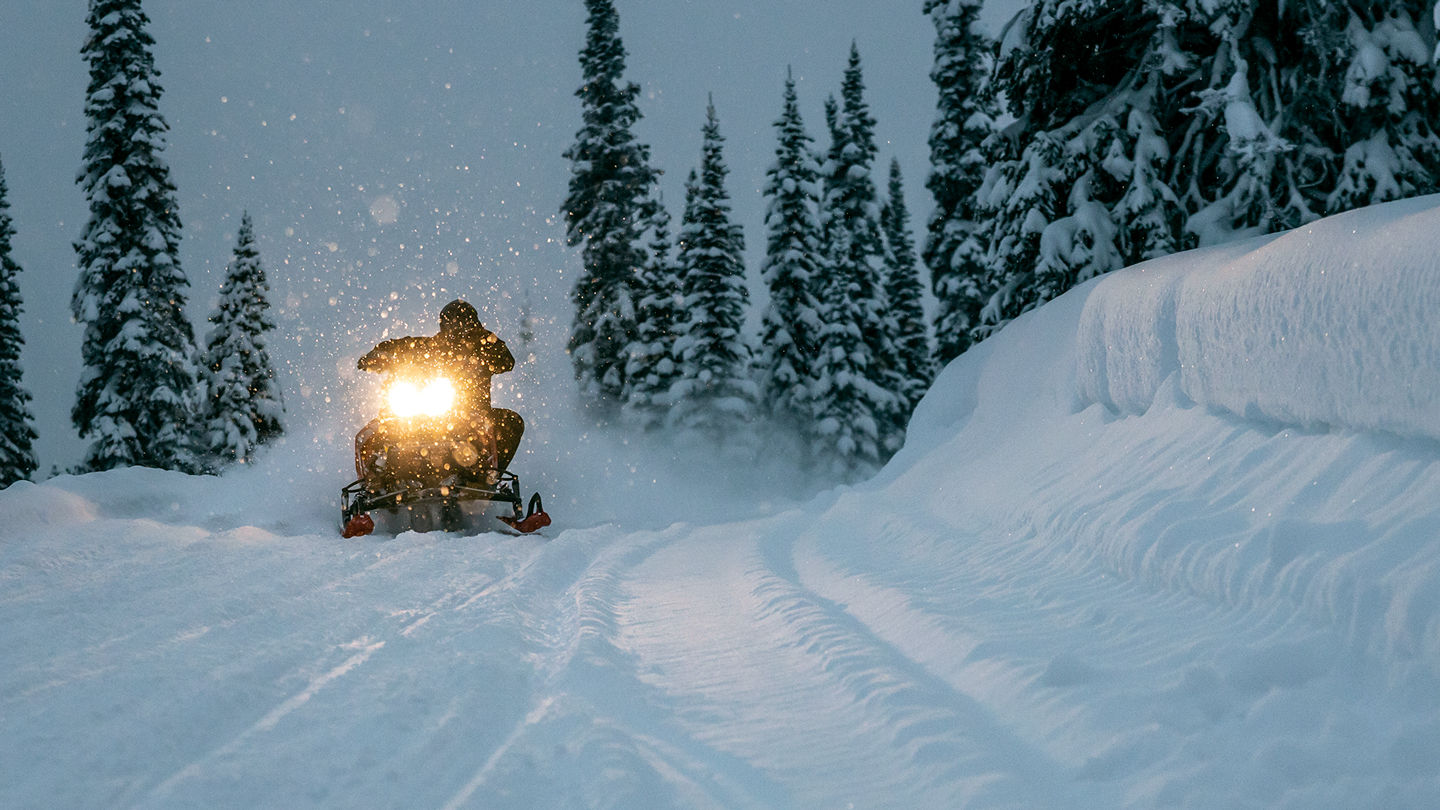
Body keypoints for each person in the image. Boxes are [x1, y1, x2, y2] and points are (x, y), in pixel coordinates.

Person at [357, 299, 524, 473]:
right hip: (427, 413)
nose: (457, 329)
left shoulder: (484, 348)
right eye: (451, 323)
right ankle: (377, 477)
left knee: (511, 422)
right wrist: (381, 353)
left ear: (474, 326)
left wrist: (481, 341)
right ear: (443, 326)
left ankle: (487, 474)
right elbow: (406, 346)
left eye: (463, 323)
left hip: (471, 418)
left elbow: (506, 362)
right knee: (377, 430)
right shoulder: (433, 347)